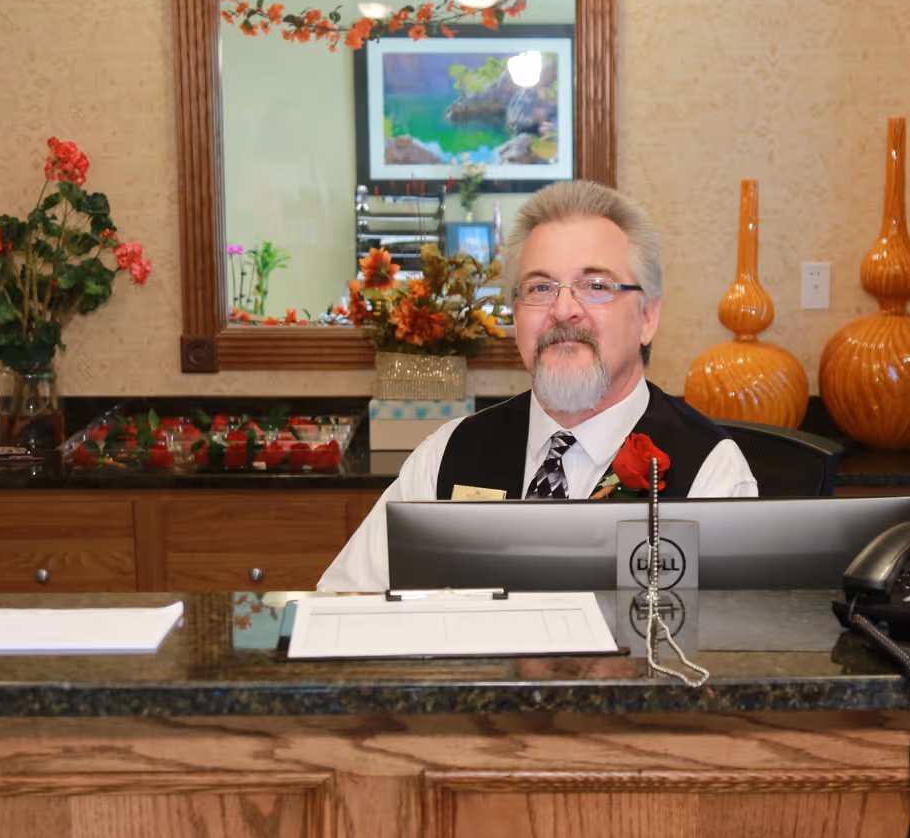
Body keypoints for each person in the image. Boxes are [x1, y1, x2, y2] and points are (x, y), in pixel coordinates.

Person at [318, 179, 758, 592]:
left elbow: (724, 653)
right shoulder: (446, 454)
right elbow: (344, 604)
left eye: (596, 285)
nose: (564, 309)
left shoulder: (712, 475)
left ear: (647, 317)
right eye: (541, 287)